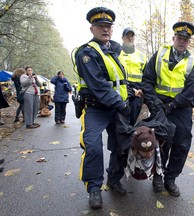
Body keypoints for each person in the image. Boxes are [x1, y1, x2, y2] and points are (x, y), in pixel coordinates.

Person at [72, 7, 131, 209]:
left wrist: (131, 94)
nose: (105, 29)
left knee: (121, 146)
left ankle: (113, 180)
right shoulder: (86, 53)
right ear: (92, 29)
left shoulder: (114, 51)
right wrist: (122, 104)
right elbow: (98, 85)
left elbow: (119, 81)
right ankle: (94, 189)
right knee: (93, 148)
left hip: (116, 109)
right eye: (100, 26)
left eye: (108, 26)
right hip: (96, 108)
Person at [142, 21, 194, 197]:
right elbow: (147, 80)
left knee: (182, 144)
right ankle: (158, 176)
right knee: (161, 143)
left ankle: (171, 178)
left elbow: (191, 91)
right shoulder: (160, 54)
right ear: (173, 38)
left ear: (189, 42)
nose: (182, 42)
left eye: (186, 39)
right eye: (180, 38)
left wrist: (173, 105)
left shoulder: (193, 61)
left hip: (180, 107)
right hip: (159, 105)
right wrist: (154, 103)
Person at [119, 28, 147, 124]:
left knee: (135, 122)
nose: (130, 38)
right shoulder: (117, 54)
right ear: (122, 38)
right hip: (123, 89)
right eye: (127, 36)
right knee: (121, 123)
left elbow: (147, 76)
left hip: (138, 91)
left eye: (132, 36)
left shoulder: (142, 55)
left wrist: (142, 89)